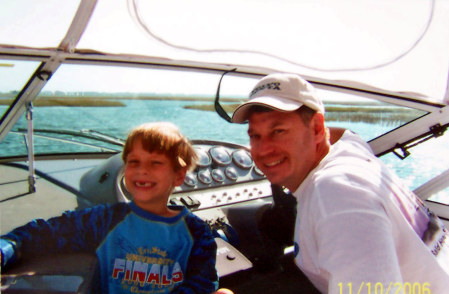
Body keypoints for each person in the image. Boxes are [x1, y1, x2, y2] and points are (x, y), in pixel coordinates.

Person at [232, 73, 449, 294]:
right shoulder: (350, 150)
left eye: (278, 131)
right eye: (255, 135)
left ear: (317, 128)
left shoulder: (336, 194)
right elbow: (345, 135)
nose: (263, 150)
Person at [1, 122, 222, 294]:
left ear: (179, 175)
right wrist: (7, 247)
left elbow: (202, 283)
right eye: (134, 162)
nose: (142, 170)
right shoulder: (105, 221)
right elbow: (47, 232)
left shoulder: (196, 234)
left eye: (155, 163)